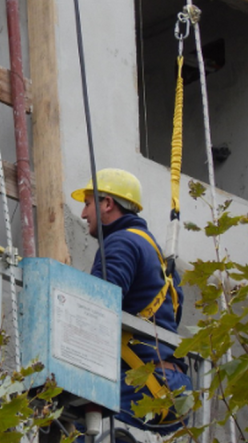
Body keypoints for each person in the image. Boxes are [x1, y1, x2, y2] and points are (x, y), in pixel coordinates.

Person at [71, 168, 192, 434]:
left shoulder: (121, 243)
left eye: (88, 204)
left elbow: (96, 310)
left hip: (145, 386)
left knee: (71, 415)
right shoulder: (160, 259)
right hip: (174, 388)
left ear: (107, 203)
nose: (83, 213)